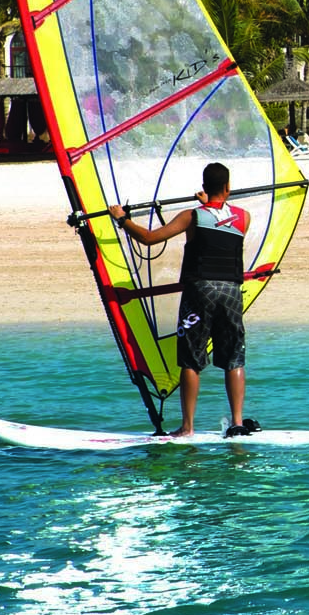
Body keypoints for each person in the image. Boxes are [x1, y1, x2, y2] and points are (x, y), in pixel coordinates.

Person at [108, 163, 258, 437]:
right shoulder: (243, 217)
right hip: (231, 291)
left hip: (199, 290)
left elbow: (150, 239)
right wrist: (209, 203)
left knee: (191, 359)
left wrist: (121, 219)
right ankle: (237, 423)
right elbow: (220, 221)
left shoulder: (192, 217)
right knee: (234, 357)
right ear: (228, 188)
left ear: (203, 186)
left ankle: (187, 427)